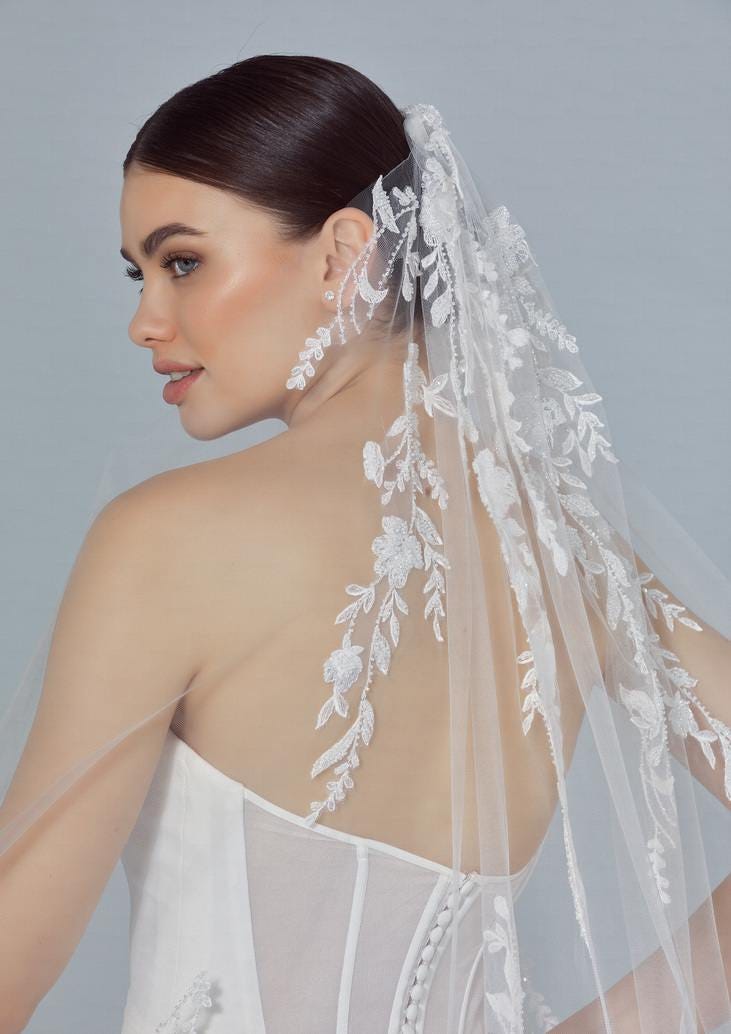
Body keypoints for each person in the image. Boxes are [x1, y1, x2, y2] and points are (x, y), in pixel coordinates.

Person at [1, 53, 729, 1033]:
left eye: (183, 262)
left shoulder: (169, 538)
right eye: (140, 274)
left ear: (342, 252)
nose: (144, 321)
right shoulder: (567, 553)